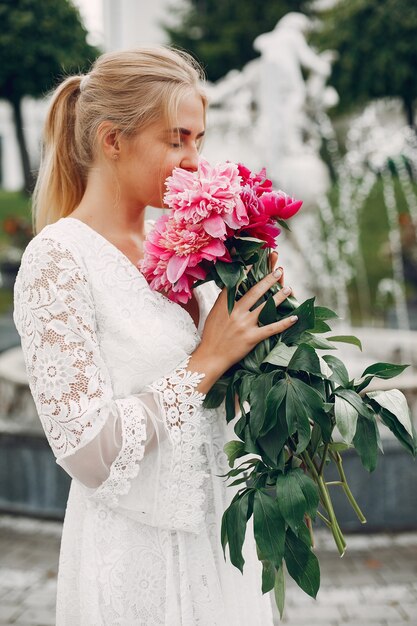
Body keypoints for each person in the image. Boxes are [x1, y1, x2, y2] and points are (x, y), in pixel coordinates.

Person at [13, 46, 297, 625]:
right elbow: (86, 452)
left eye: (198, 139)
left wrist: (262, 366)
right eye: (176, 140)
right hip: (134, 560)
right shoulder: (57, 261)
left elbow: (210, 404)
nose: (194, 160)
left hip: (219, 542)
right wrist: (207, 362)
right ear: (112, 140)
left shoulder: (181, 248)